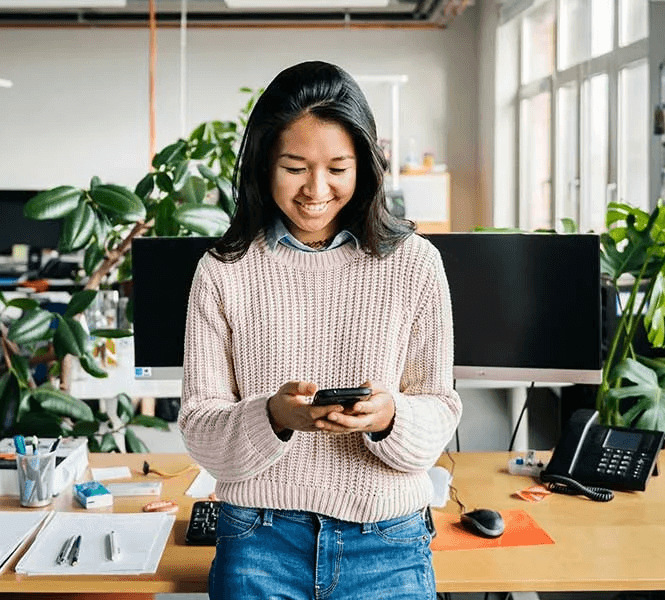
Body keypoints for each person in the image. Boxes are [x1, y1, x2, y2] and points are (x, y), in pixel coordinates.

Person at [178, 60, 462, 599]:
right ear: (264, 164)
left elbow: (440, 407)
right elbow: (199, 427)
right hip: (258, 540)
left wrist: (389, 417)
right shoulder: (222, 271)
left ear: (365, 167)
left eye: (337, 167)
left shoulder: (416, 264)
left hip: (388, 543)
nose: (316, 188)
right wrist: (274, 416)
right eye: (294, 167)